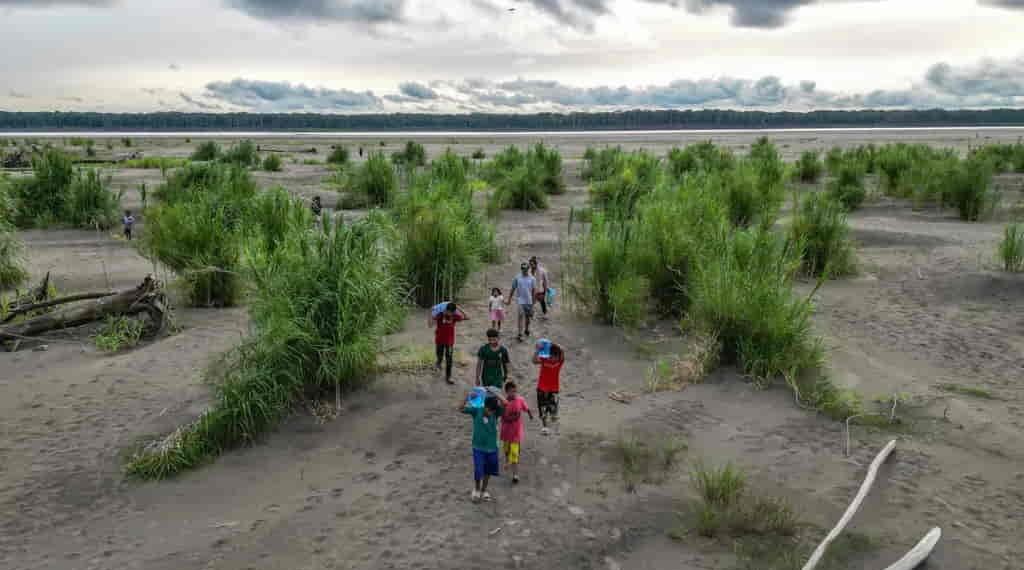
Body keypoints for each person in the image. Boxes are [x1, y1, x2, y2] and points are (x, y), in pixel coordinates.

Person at [460, 391, 506, 503]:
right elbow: (461, 408)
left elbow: (505, 403)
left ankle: (484, 490)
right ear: (484, 406)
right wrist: (467, 396)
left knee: (488, 471)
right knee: (478, 470)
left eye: (492, 411)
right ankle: (476, 489)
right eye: (489, 410)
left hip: (492, 448)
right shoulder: (476, 410)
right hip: (478, 448)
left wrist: (494, 392)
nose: (490, 413)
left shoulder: (496, 413)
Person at [500, 381, 533, 484]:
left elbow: (526, 408)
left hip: (516, 433)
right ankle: (507, 460)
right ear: (507, 392)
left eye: (515, 391)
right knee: (506, 449)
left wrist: (530, 414)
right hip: (506, 432)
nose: (513, 394)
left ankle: (515, 475)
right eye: (511, 392)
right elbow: (503, 416)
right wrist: (512, 417)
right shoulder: (503, 402)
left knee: (514, 453)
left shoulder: (520, 400)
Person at [534, 342, 565, 435]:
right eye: (552, 356)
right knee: (542, 409)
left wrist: (553, 344)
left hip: (554, 389)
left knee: (553, 409)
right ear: (549, 355)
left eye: (556, 357)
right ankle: (544, 426)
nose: (553, 359)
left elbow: (563, 352)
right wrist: (537, 350)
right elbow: (534, 361)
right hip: (541, 388)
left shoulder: (559, 362)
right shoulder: (544, 359)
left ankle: (553, 423)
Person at [434, 303, 468, 385]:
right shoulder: (440, 315)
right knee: (439, 355)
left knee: (449, 359)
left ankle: (448, 377)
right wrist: (433, 311)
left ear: (453, 312)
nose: (448, 313)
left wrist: (459, 308)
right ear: (445, 309)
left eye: (451, 312)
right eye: (447, 311)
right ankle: (438, 362)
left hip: (449, 342)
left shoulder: (455, 316)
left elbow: (467, 317)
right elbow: (431, 320)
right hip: (439, 340)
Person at [506, 262, 536, 342]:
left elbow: (533, 291)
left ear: (528, 269)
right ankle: (520, 334)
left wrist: (533, 302)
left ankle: (526, 329)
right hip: (520, 301)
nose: (524, 270)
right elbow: (513, 288)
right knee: (520, 316)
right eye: (522, 268)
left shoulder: (532, 278)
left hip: (529, 301)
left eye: (525, 269)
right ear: (521, 269)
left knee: (528, 318)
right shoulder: (517, 278)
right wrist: (509, 299)